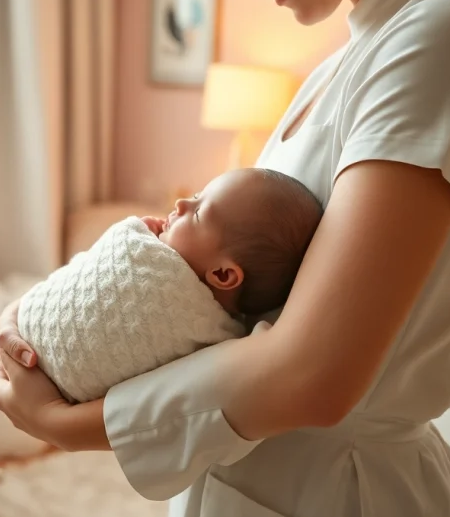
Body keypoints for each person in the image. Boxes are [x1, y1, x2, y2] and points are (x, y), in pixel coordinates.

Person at [0, 0, 450, 515]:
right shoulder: (347, 63)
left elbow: (314, 373)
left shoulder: (445, 41)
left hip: (334, 489)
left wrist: (66, 424)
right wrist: (35, 323)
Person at [18, 168, 322, 404]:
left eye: (199, 212)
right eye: (197, 194)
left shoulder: (212, 341)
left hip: (52, 373)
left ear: (223, 274)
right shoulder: (223, 339)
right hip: (33, 341)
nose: (182, 203)